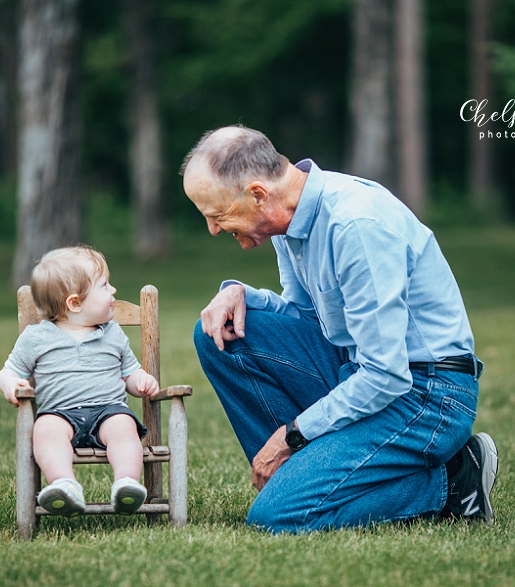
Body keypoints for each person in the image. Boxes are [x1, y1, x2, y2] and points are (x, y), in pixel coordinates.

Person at [182, 125, 498, 533]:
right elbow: (308, 320)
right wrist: (241, 294)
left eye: (217, 215)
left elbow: (385, 374)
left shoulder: (355, 225)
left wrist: (292, 435)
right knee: (221, 336)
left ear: (258, 195)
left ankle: (453, 480)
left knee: (278, 517)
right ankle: (300, 478)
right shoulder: (287, 224)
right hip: (359, 372)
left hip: (426, 396)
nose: (212, 229)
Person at [0, 245, 160, 517]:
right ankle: (64, 485)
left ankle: (126, 483)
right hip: (59, 413)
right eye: (104, 285)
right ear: (74, 303)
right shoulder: (36, 338)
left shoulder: (113, 333)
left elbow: (130, 373)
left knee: (123, 427)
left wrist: (142, 381)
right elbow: (7, 372)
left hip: (108, 409)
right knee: (45, 430)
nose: (114, 291)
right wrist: (12, 385)